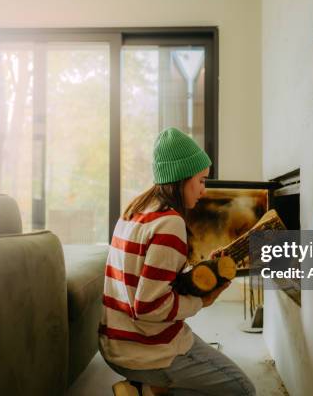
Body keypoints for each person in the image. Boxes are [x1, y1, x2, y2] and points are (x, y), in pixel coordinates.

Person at [99, 127, 256, 396]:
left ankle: (144, 390)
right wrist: (201, 301)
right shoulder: (169, 224)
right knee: (243, 390)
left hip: (115, 342)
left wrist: (202, 273)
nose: (204, 191)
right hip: (145, 351)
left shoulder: (134, 211)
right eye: (201, 181)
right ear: (181, 179)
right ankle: (150, 389)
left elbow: (150, 281)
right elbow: (149, 307)